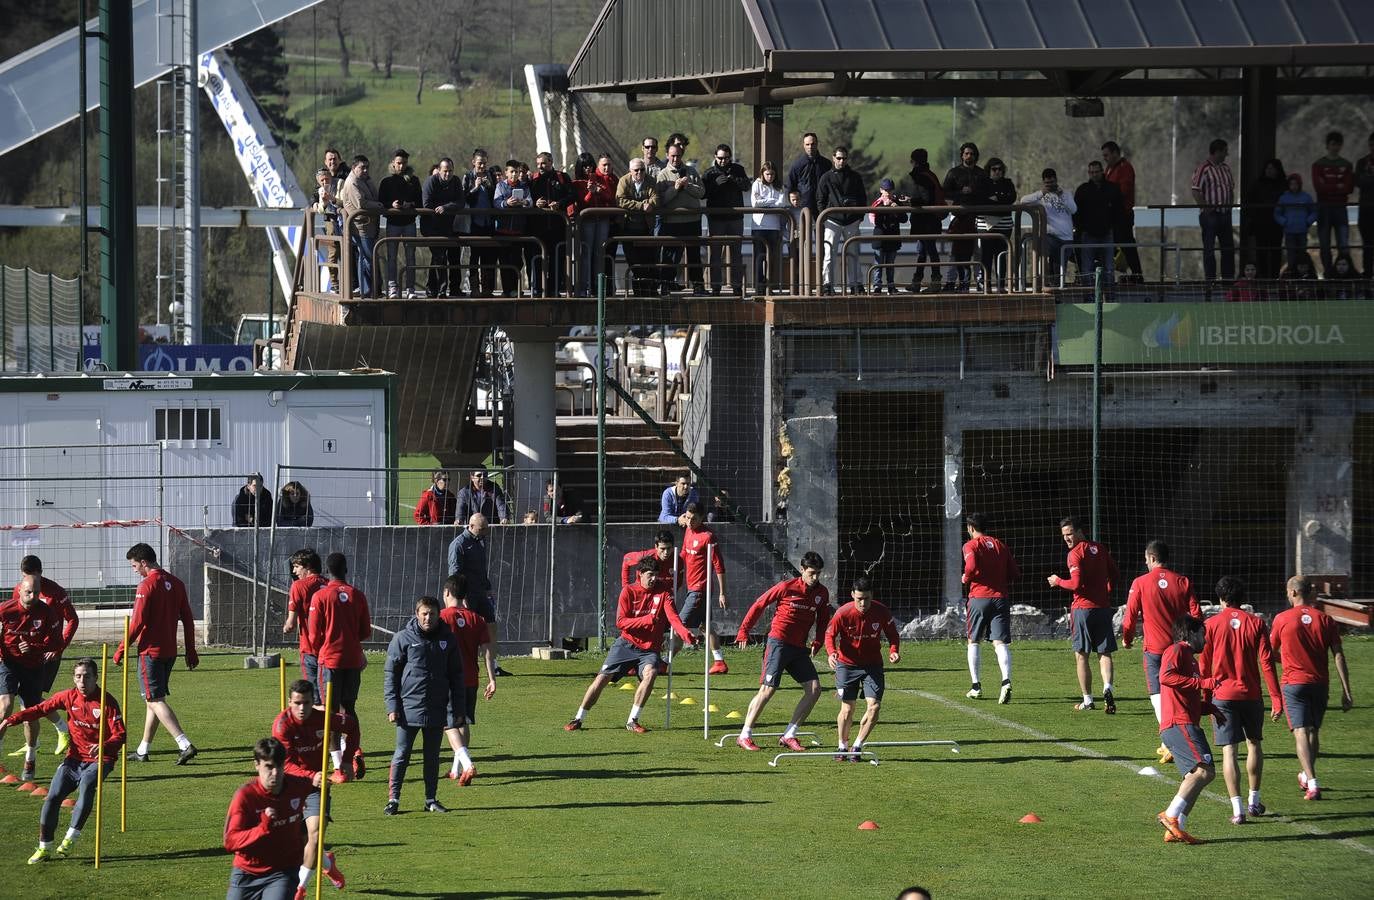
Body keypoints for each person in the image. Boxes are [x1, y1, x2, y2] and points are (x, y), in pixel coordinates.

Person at [1, 657, 123, 864]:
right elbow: (40, 709)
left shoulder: (107, 702)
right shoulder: (68, 697)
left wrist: (104, 746)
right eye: (78, 677)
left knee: (87, 785)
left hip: (101, 758)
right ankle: (44, 847)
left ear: (96, 678)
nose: (82, 681)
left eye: (87, 677)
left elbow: (121, 735)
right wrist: (11, 720)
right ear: (73, 679)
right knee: (53, 796)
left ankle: (70, 838)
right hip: (74, 759)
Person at [565, 558, 695, 733]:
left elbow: (673, 617)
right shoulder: (628, 591)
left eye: (656, 575)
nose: (654, 579)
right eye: (650, 575)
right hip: (625, 645)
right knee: (601, 679)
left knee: (651, 673)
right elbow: (620, 622)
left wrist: (685, 633)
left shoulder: (664, 592)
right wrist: (646, 620)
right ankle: (578, 718)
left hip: (649, 650)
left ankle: (632, 720)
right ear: (639, 574)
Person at [1199, 576, 1282, 825]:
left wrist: (1205, 696)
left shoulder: (1211, 624)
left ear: (1220, 598)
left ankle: (1237, 810)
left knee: (1229, 751)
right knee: (1254, 745)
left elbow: (1204, 663)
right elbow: (1266, 662)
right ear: (1242, 598)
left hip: (1223, 695)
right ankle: (1254, 801)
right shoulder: (1256, 623)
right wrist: (1276, 698)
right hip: (1251, 695)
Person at [733, 551, 831, 752]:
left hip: (798, 649)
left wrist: (819, 640)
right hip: (778, 643)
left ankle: (789, 734)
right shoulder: (787, 587)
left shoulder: (822, 593)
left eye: (818, 574)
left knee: (814, 690)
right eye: (812, 573)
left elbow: (822, 620)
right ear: (802, 570)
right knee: (768, 689)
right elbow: (760, 604)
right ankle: (745, 734)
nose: (815, 578)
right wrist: (744, 630)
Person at [113, 543, 199, 765]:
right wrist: (190, 650)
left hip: (150, 653)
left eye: (134, 565)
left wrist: (122, 648)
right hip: (170, 652)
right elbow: (188, 620)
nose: (134, 570)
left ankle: (184, 744)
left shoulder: (146, 586)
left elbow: (137, 623)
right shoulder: (177, 583)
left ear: (144, 563)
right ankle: (143, 750)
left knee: (154, 699)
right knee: (153, 700)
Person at [1269, 575, 1353, 802]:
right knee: (1313, 731)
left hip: (1294, 683)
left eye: (1288, 592)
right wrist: (1346, 691)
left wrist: (1286, 660)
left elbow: (1270, 651)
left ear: (1294, 593)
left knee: (1301, 732)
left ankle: (1313, 783)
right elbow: (1338, 655)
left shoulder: (1282, 619)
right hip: (1319, 683)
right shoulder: (1325, 620)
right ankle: (1306, 775)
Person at [270, 680, 355, 897]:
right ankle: (329, 864)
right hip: (289, 785)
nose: (302, 708)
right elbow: (285, 764)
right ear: (289, 702)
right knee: (300, 843)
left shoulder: (324, 718)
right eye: (297, 703)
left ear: (312, 703)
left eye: (306, 703)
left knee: (315, 836)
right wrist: (311, 776)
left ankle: (300, 888)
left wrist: (346, 760)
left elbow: (352, 726)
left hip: (316, 788)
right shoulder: (282, 725)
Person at [1121, 540, 1202, 763]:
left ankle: (1170, 743)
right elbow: (1196, 614)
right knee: (1184, 692)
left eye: (1146, 559)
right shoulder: (1183, 581)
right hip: (1180, 649)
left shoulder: (1140, 583)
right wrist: (1192, 642)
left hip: (1155, 650)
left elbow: (1130, 618)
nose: (1145, 563)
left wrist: (1127, 639)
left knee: (1158, 694)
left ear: (1152, 558)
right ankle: (1186, 738)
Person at [382, 596, 463, 815]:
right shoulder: (403, 638)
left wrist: (457, 709)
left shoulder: (449, 640)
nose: (428, 618)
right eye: (424, 613)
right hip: (408, 709)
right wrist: (392, 706)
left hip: (437, 709)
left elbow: (457, 676)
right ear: (417, 614)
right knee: (402, 754)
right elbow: (391, 674)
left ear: (439, 615)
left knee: (432, 756)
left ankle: (431, 799)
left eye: (432, 614)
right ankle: (393, 799)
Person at [223, 737, 321, 899]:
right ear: (256, 764)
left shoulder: (299, 786)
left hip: (282, 872)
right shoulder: (245, 796)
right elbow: (230, 841)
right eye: (268, 767)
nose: (275, 773)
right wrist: (262, 828)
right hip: (247, 873)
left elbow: (315, 788)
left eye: (279, 766)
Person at [1156, 615, 1223, 845]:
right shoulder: (1176, 650)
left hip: (1184, 722)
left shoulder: (1191, 660)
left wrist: (1210, 708)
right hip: (1178, 724)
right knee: (1203, 772)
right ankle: (1171, 816)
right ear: (1191, 633)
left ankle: (1176, 828)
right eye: (1203, 634)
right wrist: (1203, 683)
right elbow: (1166, 677)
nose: (1205, 639)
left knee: (1198, 776)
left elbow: (1185, 694)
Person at [306, 552, 371, 779]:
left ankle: (339, 768)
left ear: (327, 571)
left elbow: (313, 635)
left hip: (330, 661)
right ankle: (354, 751)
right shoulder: (358, 595)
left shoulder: (321, 596)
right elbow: (365, 632)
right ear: (346, 570)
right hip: (353, 660)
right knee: (349, 708)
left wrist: (321, 649)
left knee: (330, 714)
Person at [1046, 517, 1120, 713]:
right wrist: (1106, 591)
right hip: (1103, 608)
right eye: (1064, 536)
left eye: (1070, 534)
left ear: (1079, 532)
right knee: (1104, 652)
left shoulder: (1075, 554)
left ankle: (1087, 700)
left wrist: (1058, 581)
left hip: (1083, 610)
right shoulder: (1100, 549)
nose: (1067, 539)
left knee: (1081, 655)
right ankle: (1107, 687)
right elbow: (1114, 573)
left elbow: (1076, 584)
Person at [825, 576, 900, 761]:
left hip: (872, 666)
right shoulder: (843, 613)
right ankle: (842, 746)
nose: (863, 603)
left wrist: (894, 651)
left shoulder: (881, 611)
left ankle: (857, 746)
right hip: (847, 665)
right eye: (859, 598)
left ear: (871, 596)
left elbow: (893, 635)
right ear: (852, 595)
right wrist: (831, 652)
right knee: (847, 709)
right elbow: (829, 634)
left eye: (866, 598)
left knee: (874, 707)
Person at [11, 555, 77, 761]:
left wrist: (59, 648)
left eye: (31, 577)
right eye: (24, 578)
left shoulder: (56, 593)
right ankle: (35, 741)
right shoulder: (19, 589)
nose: (28, 584)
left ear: (40, 573)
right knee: (27, 698)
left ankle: (62, 729)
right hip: (24, 654)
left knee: (29, 698)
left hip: (47, 654)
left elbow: (73, 619)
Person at [0, 575, 61, 781]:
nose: (33, 596)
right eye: (29, 592)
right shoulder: (5, 610)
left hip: (34, 667)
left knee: (29, 714)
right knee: (5, 705)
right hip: (8, 663)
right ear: (20, 591)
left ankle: (30, 755)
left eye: (36, 592)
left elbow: (55, 643)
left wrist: (35, 647)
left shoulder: (47, 613)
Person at [439, 576, 496, 784]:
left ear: (447, 593)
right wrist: (492, 678)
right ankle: (456, 769)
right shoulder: (477, 619)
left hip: (449, 678)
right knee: (462, 721)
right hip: (471, 678)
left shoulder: (443, 617)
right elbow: (487, 651)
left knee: (449, 723)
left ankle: (468, 764)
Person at [961, 513, 1019, 704]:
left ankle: (976, 686)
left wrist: (966, 578)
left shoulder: (970, 545)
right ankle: (1005, 681)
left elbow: (970, 567)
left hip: (979, 598)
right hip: (1000, 599)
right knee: (1000, 643)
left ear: (970, 528)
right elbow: (1014, 573)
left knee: (973, 641)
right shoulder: (1000, 545)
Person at [679, 503, 728, 673]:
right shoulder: (687, 529)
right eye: (687, 517)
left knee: (678, 625)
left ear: (702, 518)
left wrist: (722, 593)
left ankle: (665, 661)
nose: (690, 521)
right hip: (690, 586)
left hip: (701, 588)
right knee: (704, 625)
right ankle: (719, 662)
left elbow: (719, 565)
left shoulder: (708, 537)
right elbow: (683, 555)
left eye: (694, 519)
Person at [655, 142, 706, 295]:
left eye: (678, 155)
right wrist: (675, 188)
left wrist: (687, 185)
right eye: (673, 156)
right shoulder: (663, 174)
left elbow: (702, 192)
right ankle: (666, 285)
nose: (676, 158)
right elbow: (661, 199)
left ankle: (698, 286)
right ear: (667, 156)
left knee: (694, 255)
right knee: (669, 256)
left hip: (692, 221)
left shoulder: (691, 171)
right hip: (672, 222)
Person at [816, 146, 868, 294]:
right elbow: (820, 199)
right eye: (838, 158)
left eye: (844, 158)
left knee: (853, 253)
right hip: (832, 221)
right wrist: (825, 217)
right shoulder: (826, 177)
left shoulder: (855, 177)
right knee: (829, 254)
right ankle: (827, 285)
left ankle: (856, 284)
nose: (841, 161)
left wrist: (859, 217)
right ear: (833, 158)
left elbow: (862, 198)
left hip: (852, 220)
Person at [703, 143, 751, 296]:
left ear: (730, 157)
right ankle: (716, 286)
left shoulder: (738, 169)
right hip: (716, 219)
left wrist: (734, 180)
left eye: (726, 158)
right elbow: (703, 194)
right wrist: (715, 185)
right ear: (715, 157)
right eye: (720, 158)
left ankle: (737, 286)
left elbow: (746, 186)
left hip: (735, 218)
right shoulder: (709, 173)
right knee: (715, 254)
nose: (723, 161)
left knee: (736, 253)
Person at [377, 148, 423, 298]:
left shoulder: (414, 181)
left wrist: (410, 204)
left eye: (404, 163)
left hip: (409, 222)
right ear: (393, 163)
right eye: (398, 163)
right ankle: (392, 288)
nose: (401, 166)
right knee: (392, 257)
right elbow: (381, 203)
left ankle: (410, 289)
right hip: (393, 223)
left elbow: (420, 202)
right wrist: (392, 205)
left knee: (411, 256)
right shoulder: (386, 182)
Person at [283, 549, 327, 703]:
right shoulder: (328, 584)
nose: (294, 571)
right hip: (330, 648)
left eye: (296, 567)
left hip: (310, 647)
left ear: (307, 566)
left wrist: (286, 627)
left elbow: (290, 624)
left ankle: (318, 726)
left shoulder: (298, 586)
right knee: (330, 695)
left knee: (314, 696)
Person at [1020, 169, 1077, 283]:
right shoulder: (1041, 196)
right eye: (1047, 183)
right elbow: (1023, 201)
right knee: (1047, 263)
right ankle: (1047, 287)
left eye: (1052, 182)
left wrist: (1061, 196)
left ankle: (1057, 294)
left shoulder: (1066, 193)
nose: (1051, 186)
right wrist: (1042, 193)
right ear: (1043, 183)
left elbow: (1073, 209)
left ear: (1056, 180)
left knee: (1060, 269)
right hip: (1050, 236)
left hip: (1066, 238)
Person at [1191, 139, 1236, 282]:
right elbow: (1196, 190)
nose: (1226, 154)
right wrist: (1205, 208)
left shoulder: (1226, 168)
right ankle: (1210, 280)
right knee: (1209, 249)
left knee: (1228, 248)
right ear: (1217, 152)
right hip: (1211, 215)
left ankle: (1228, 279)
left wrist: (1229, 206)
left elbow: (1230, 189)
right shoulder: (1203, 169)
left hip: (1225, 213)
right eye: (1224, 151)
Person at [942, 142, 985, 291]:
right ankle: (950, 281)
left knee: (978, 251)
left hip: (978, 218)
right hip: (958, 217)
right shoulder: (953, 173)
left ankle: (979, 281)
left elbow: (986, 193)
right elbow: (944, 193)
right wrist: (961, 193)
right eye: (966, 153)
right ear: (962, 155)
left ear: (976, 155)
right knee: (955, 252)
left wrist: (973, 193)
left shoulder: (981, 173)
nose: (969, 156)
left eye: (972, 153)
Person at [529, 151, 572, 296]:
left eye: (544, 163)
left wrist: (559, 204)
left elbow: (572, 195)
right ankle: (537, 289)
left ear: (551, 162)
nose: (540, 167)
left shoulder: (562, 177)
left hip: (557, 227)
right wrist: (536, 203)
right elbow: (528, 198)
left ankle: (554, 289)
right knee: (537, 259)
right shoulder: (533, 179)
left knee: (557, 259)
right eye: (538, 164)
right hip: (538, 227)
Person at [339, 154, 384, 296]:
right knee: (368, 258)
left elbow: (372, 196)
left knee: (365, 258)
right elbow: (361, 203)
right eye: (362, 167)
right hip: (361, 227)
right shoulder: (352, 182)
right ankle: (370, 290)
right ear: (354, 168)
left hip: (368, 225)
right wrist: (379, 205)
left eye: (367, 167)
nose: (365, 170)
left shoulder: (363, 180)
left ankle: (369, 290)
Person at [1311, 130, 1354, 276]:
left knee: (1343, 243)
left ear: (1341, 146)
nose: (1335, 147)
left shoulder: (1346, 165)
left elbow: (1348, 187)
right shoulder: (1318, 165)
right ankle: (1328, 273)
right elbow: (1319, 187)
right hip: (1324, 208)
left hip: (1340, 208)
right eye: (1332, 144)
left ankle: (1345, 274)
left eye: (1338, 144)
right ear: (1327, 145)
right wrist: (1337, 185)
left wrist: (1328, 184)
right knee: (1324, 244)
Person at [421, 156, 465, 298]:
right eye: (445, 171)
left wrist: (446, 207)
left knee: (446, 256)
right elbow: (426, 204)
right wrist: (440, 208)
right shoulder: (431, 182)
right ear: (439, 170)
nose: (448, 174)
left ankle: (434, 288)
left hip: (448, 226)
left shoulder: (456, 181)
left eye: (450, 171)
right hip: (431, 226)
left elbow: (461, 202)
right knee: (439, 256)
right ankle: (440, 290)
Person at [574, 154, 617, 296]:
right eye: (585, 166)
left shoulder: (600, 179)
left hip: (602, 219)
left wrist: (599, 190)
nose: (588, 169)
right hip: (587, 221)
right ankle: (584, 288)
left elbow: (610, 198)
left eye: (591, 166)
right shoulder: (577, 183)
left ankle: (598, 288)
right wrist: (591, 193)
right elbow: (582, 203)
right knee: (586, 254)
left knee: (600, 253)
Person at [1073, 160, 1122, 285]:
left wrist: (1115, 230)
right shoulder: (1082, 190)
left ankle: (1110, 298)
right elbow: (1075, 213)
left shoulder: (1112, 189)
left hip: (1107, 234)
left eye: (1097, 172)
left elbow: (1119, 211)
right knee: (1087, 269)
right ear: (1089, 173)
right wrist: (1080, 230)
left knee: (1109, 268)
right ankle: (1088, 298)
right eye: (1092, 172)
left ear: (1102, 172)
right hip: (1088, 234)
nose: (1094, 174)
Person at [904, 148, 946, 293]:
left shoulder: (921, 177)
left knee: (928, 250)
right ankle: (918, 280)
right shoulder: (930, 175)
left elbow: (926, 199)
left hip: (926, 221)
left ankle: (934, 281)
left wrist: (911, 201)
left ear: (914, 161)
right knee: (923, 251)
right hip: (931, 220)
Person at [616, 158, 660, 295]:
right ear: (630, 171)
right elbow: (620, 200)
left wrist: (647, 203)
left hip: (645, 228)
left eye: (642, 169)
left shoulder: (651, 181)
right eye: (636, 170)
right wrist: (641, 205)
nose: (639, 173)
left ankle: (650, 291)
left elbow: (656, 199)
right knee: (633, 262)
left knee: (648, 260)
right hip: (628, 228)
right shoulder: (624, 181)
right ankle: (638, 291)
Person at [1102, 141, 1143, 281]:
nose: (1105, 158)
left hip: (1122, 215)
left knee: (1127, 245)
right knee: (1119, 245)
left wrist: (1108, 197)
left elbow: (1124, 191)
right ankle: (1130, 273)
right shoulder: (1109, 169)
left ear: (1115, 153)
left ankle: (1137, 274)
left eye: (1107, 155)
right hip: (1111, 216)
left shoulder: (1125, 168)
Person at [976, 158, 1017, 292]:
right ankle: (986, 285)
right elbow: (979, 200)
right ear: (989, 170)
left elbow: (1011, 199)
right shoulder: (982, 183)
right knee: (986, 256)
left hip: (1004, 227)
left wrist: (995, 200)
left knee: (1001, 256)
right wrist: (999, 204)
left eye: (1000, 169)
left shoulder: (1008, 183)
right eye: (994, 169)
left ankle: (1001, 285)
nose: (997, 172)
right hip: (985, 226)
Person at [1243, 158, 1287, 279]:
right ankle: (1262, 277)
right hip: (1260, 224)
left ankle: (1274, 277)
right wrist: (1252, 218)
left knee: (1275, 252)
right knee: (1261, 252)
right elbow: (1248, 203)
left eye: (1272, 168)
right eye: (1267, 168)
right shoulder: (1257, 184)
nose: (1269, 171)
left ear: (1278, 170)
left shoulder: (1283, 185)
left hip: (1277, 224)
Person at [463, 149, 500, 296]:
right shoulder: (468, 176)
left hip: (489, 222)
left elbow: (496, 196)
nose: (482, 166)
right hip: (474, 223)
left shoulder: (490, 175)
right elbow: (465, 198)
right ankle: (474, 288)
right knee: (474, 256)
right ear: (473, 162)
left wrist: (489, 186)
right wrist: (475, 188)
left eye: (484, 163)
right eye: (479, 163)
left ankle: (487, 288)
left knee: (489, 257)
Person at [447, 514, 496, 623]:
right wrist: (461, 597)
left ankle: (491, 640)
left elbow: (481, 568)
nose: (484, 532)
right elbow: (455, 574)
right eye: (481, 529)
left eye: (486, 529)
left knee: (490, 620)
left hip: (481, 592)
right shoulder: (458, 545)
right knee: (470, 624)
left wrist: (488, 588)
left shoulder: (480, 540)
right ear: (471, 526)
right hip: (467, 595)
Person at [750, 161, 790, 294]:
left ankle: (769, 286)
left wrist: (765, 202)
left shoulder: (780, 186)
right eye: (767, 174)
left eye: (772, 174)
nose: (770, 177)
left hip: (774, 227)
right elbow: (755, 203)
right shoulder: (757, 184)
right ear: (762, 173)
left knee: (771, 257)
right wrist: (772, 202)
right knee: (759, 256)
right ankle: (759, 287)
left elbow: (782, 203)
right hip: (759, 226)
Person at [784, 132, 832, 224]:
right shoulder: (797, 165)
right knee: (804, 234)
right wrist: (793, 201)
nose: (810, 147)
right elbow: (791, 186)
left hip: (823, 205)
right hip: (804, 206)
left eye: (813, 144)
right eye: (807, 144)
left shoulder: (826, 164)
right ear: (803, 145)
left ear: (817, 144)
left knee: (822, 234)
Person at [868, 179, 907, 294]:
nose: (888, 193)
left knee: (890, 264)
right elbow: (875, 221)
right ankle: (877, 286)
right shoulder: (877, 203)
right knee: (878, 264)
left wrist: (897, 209)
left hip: (893, 237)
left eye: (890, 190)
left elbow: (904, 219)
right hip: (880, 238)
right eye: (886, 190)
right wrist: (885, 208)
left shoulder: (896, 202)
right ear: (881, 190)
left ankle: (891, 286)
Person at [1274, 173, 1317, 273]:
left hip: (1302, 230)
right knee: (1291, 254)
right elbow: (1277, 213)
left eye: (1296, 184)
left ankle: (1303, 273)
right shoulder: (1284, 198)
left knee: (1302, 253)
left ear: (1300, 184)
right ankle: (1292, 273)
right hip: (1289, 231)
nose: (1294, 186)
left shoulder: (1306, 197)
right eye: (1292, 184)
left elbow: (1314, 211)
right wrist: (1284, 222)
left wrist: (1308, 222)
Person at [1356, 132, 1374, 277]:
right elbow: (1358, 182)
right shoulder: (1362, 163)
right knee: (1367, 244)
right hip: (1366, 208)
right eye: (1371, 145)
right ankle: (1367, 273)